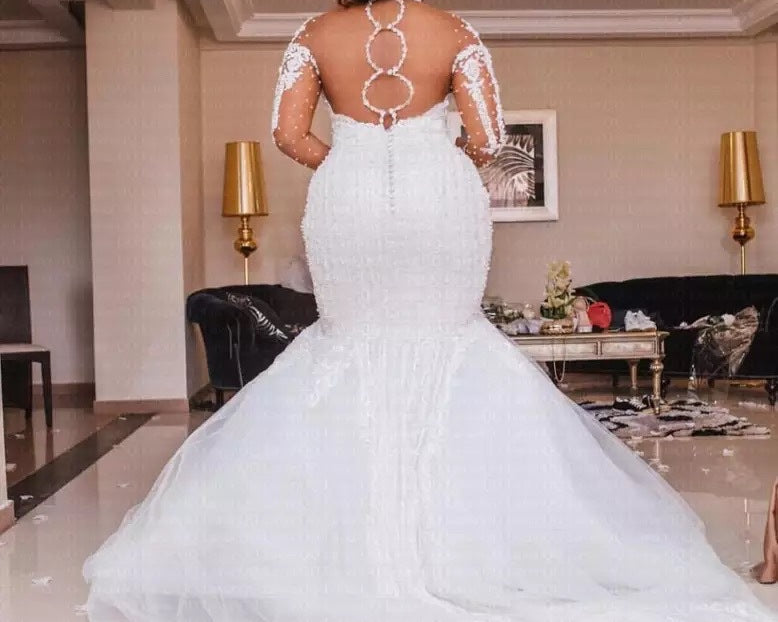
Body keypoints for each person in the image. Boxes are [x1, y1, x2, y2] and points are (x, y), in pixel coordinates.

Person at [82, 1, 778, 620]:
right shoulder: (454, 30)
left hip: (347, 194)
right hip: (436, 197)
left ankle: (349, 538)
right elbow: (487, 140)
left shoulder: (315, 32)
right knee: (449, 338)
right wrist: (425, 160)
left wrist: (353, 160)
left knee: (347, 339)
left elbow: (289, 134)